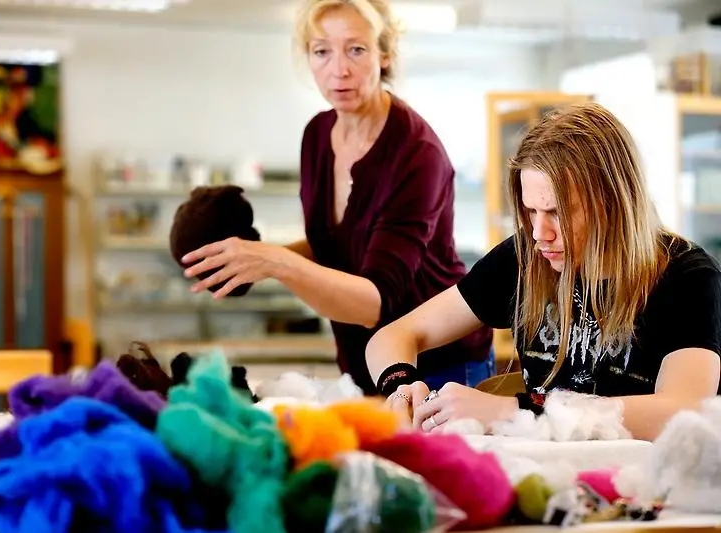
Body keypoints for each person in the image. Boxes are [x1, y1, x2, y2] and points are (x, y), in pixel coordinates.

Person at [180, 0, 494, 395]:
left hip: (436, 363)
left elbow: (373, 303)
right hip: (362, 362)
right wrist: (248, 261)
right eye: (322, 51)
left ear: (384, 54)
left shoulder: (416, 153)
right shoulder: (317, 135)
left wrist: (275, 261)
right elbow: (333, 243)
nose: (339, 69)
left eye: (356, 49)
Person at [365, 102, 721, 441]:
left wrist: (513, 410)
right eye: (530, 211)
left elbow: (682, 411)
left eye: (557, 213)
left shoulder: (687, 276)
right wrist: (401, 387)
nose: (539, 234)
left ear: (612, 202)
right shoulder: (524, 257)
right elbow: (393, 336)